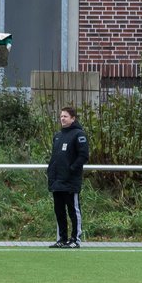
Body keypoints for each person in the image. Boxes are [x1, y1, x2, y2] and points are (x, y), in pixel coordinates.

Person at [47, 105, 89, 248]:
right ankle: (62, 239)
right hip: (57, 181)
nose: (62, 119)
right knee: (59, 211)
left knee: (73, 210)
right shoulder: (58, 136)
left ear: (73, 118)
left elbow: (83, 156)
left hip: (70, 181)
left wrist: (72, 169)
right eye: (61, 116)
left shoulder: (79, 134)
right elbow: (55, 158)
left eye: (65, 116)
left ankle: (75, 240)